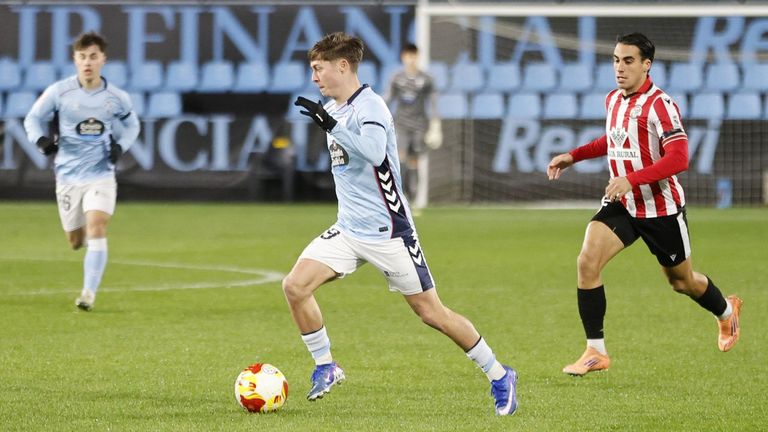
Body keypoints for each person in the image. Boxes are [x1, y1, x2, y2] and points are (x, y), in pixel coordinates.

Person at [287, 32, 517, 415]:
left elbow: (376, 153)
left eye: (318, 68)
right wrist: (332, 122)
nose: (314, 77)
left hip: (389, 232)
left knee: (432, 314)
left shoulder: (370, 107)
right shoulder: (338, 111)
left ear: (342, 66)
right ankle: (326, 365)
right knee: (295, 286)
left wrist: (332, 126)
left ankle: (498, 373)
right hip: (348, 229)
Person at [546, 32, 742, 376]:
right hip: (622, 204)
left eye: (628, 61)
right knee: (587, 262)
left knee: (682, 282)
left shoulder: (660, 105)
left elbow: (679, 158)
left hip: (660, 208)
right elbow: (614, 139)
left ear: (646, 65)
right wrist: (573, 156)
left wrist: (632, 179)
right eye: (615, 60)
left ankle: (726, 312)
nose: (619, 68)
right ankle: (596, 351)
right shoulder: (614, 100)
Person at [24, 31, 140, 311]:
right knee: (76, 241)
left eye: (93, 56)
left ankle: (88, 293)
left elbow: (133, 125)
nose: (88, 62)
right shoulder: (60, 92)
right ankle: (87, 243)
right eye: (82, 56)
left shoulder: (116, 97)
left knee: (98, 225)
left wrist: (121, 146)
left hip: (101, 174)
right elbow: (33, 118)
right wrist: (39, 140)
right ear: (75, 60)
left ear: (103, 59)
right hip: (67, 177)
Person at [385, 43, 442, 205]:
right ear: (403, 57)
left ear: (417, 57)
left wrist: (436, 125)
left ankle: (414, 198)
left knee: (414, 160)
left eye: (413, 56)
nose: (411, 59)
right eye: (408, 56)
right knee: (400, 157)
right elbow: (388, 99)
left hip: (419, 125)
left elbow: (433, 102)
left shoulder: (426, 79)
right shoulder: (397, 78)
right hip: (401, 124)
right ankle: (400, 197)